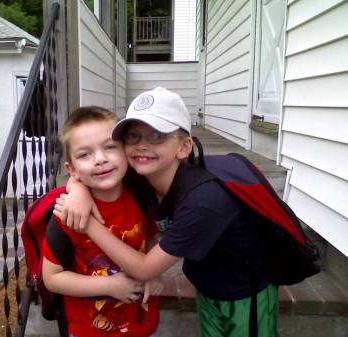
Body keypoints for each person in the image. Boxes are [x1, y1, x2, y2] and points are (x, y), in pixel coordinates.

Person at [55, 87, 279, 337]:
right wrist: (76, 188)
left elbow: (144, 269)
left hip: (245, 290)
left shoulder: (203, 202)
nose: (141, 146)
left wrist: (89, 225)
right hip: (207, 282)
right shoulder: (142, 176)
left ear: (183, 148)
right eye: (133, 136)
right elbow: (87, 174)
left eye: (156, 136)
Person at [41, 106, 161, 337]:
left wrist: (155, 273)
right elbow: (52, 278)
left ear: (126, 151)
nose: (100, 159)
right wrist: (109, 286)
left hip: (144, 325)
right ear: (71, 169)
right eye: (85, 154)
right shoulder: (67, 214)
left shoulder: (141, 195)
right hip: (90, 330)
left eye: (109, 147)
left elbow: (153, 238)